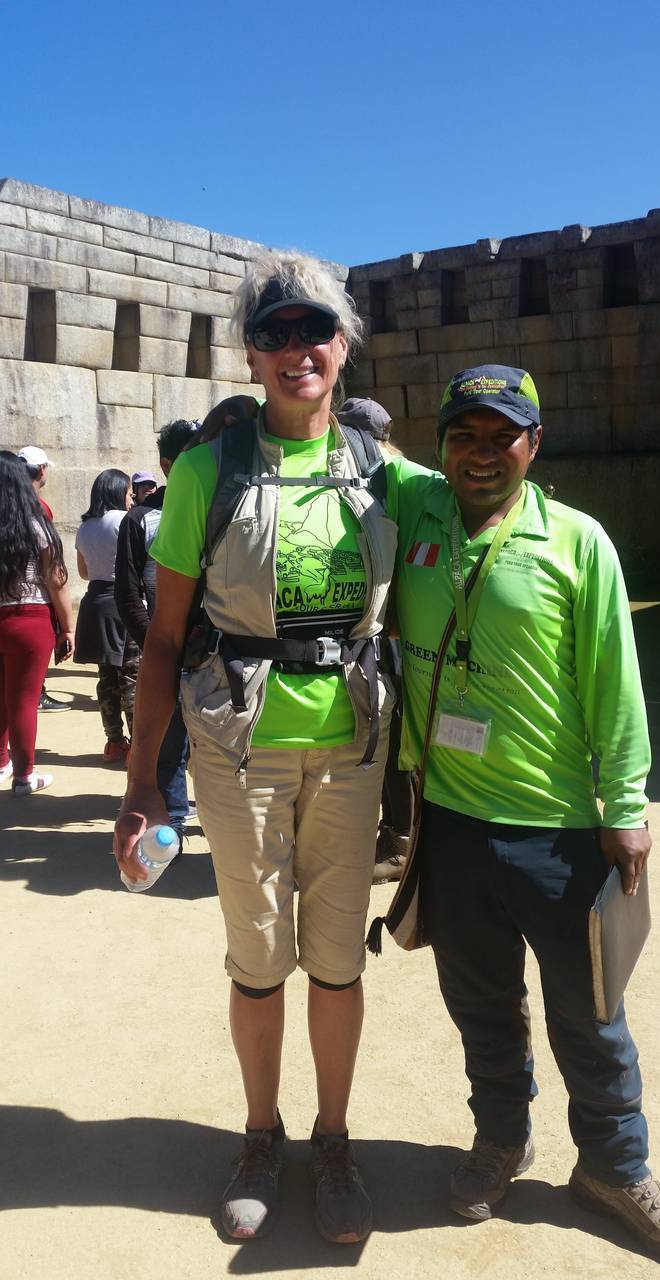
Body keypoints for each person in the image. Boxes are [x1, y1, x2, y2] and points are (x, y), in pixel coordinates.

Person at [114, 250, 414, 1245]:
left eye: (315, 328)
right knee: (256, 956)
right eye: (276, 332)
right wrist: (141, 789)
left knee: (334, 958)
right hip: (238, 751)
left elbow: (474, 519)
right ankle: (258, 1132)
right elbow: (161, 639)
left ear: (344, 343)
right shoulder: (208, 471)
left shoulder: (383, 471)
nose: (298, 349)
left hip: (351, 751)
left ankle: (331, 1137)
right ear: (251, 350)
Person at [388, 364, 660, 1262]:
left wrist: (628, 805)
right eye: (464, 435)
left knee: (590, 1014)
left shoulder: (577, 541)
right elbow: (334, 434)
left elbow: (616, 685)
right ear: (440, 443)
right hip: (449, 824)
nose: (482, 454)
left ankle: (613, 1165)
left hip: (559, 828)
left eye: (503, 437)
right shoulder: (417, 514)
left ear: (535, 443)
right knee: (480, 1003)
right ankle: (501, 1140)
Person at [336, 397, 413, 884]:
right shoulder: (407, 473)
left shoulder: (371, 474)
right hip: (403, 626)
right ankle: (398, 837)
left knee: (386, 739)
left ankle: (400, 843)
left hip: (378, 630)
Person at [114, 420, 201, 847]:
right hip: (164, 646)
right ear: (168, 464)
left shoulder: (218, 509)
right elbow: (129, 592)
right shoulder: (141, 520)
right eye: (190, 455)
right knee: (169, 741)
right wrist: (158, 642)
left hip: (213, 650)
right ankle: (175, 820)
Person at [0, 452, 74, 794]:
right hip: (30, 619)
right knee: (25, 700)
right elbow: (55, 578)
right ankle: (24, 776)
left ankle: (2, 762)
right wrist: (68, 627)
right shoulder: (35, 525)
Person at [74, 469, 136, 764]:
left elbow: (84, 572)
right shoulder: (124, 522)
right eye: (128, 492)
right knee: (132, 677)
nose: (132, 498)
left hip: (95, 603)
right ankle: (139, 746)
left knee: (106, 677)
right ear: (116, 492)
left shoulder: (85, 527)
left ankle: (114, 742)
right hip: (123, 604)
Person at [18, 444, 70, 712]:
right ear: (40, 470)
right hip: (34, 601)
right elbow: (53, 570)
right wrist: (66, 626)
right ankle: (38, 693)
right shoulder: (40, 509)